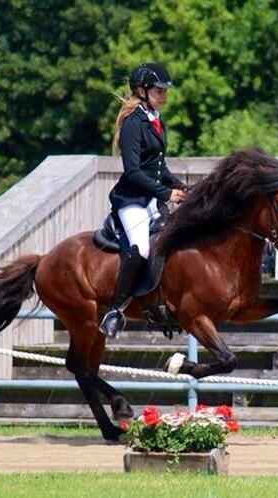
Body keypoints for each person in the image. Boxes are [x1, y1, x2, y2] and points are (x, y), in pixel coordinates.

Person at [99, 63, 187, 338]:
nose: (164, 95)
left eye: (164, 91)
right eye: (159, 90)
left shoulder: (156, 118)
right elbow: (134, 171)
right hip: (132, 201)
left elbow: (157, 166)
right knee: (141, 249)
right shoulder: (133, 123)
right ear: (142, 90)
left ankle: (162, 306)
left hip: (152, 200)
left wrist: (179, 185)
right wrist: (166, 193)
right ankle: (115, 309)